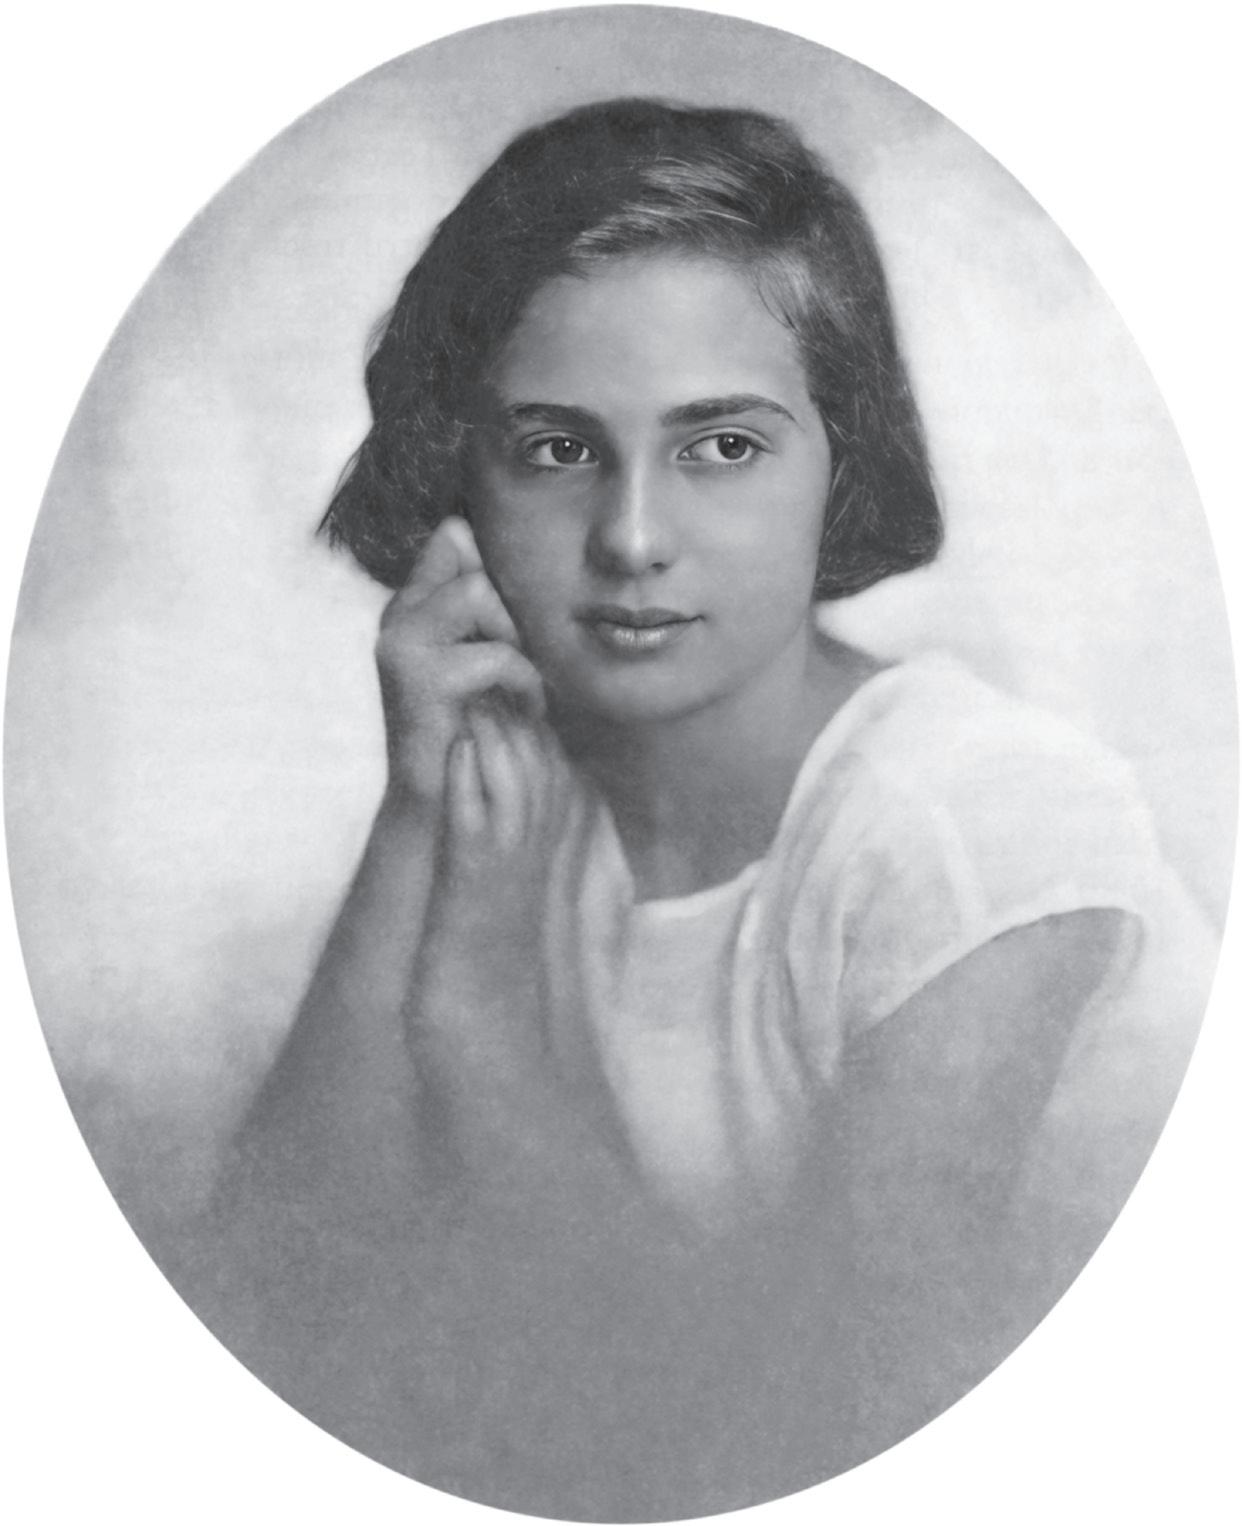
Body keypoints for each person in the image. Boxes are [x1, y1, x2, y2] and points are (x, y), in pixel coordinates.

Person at [201, 99, 1213, 1519]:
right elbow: (263, 1291)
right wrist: (418, 811)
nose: (630, 539)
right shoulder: (512, 783)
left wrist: (484, 1017)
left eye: (722, 447)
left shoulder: (975, 824)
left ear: (841, 466)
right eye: (556, 450)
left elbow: (797, 1441)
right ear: (454, 488)